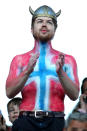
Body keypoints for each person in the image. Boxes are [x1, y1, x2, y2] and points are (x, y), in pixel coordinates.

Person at [6, 5, 79, 131]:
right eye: (39, 21)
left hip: (56, 121)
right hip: (26, 121)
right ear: (31, 28)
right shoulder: (19, 60)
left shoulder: (67, 60)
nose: (44, 25)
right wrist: (27, 70)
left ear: (55, 30)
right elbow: (9, 92)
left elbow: (74, 95)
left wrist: (61, 73)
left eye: (49, 22)